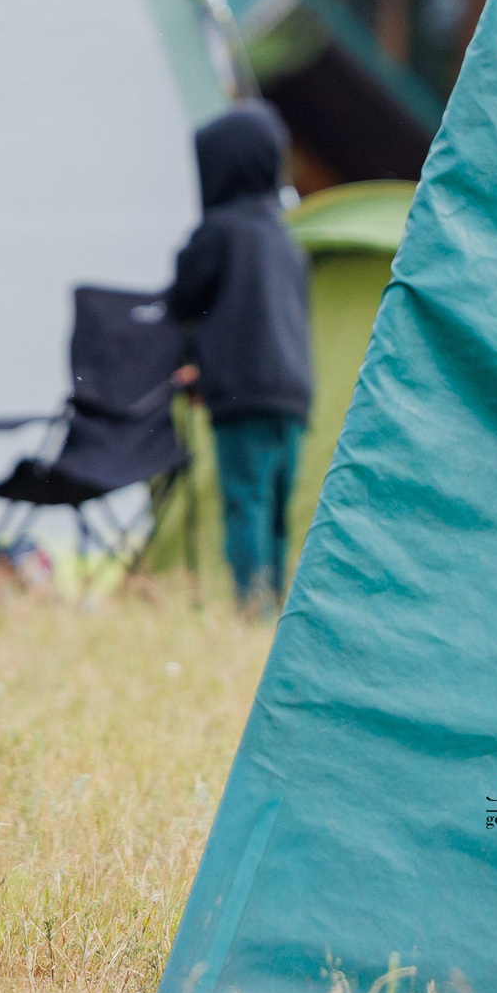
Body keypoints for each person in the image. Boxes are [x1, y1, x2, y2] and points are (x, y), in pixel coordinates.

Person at [166, 100, 314, 611]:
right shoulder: (285, 237)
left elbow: (183, 296)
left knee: (245, 501)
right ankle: (275, 608)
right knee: (275, 508)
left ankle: (252, 609)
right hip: (293, 395)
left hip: (242, 393)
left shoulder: (221, 232)